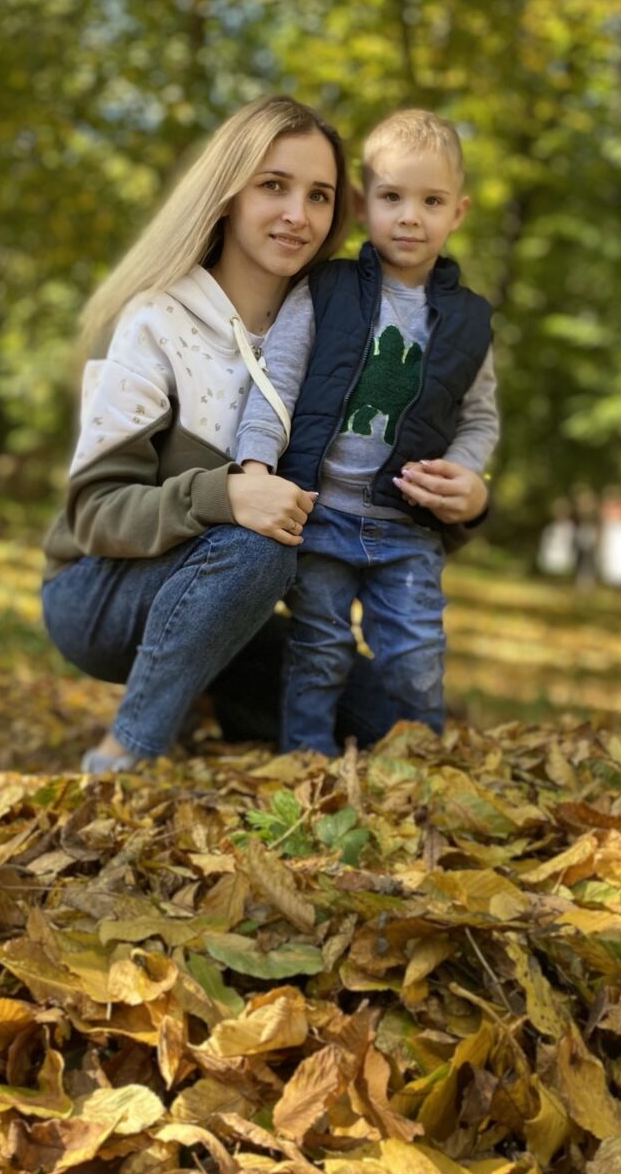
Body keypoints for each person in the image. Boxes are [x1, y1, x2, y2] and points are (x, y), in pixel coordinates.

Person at [42, 94, 383, 773]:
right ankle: (126, 749)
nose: (298, 215)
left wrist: (467, 499)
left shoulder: (331, 336)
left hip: (243, 598)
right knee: (255, 549)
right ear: (227, 194)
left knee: (389, 716)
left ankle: (207, 693)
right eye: (274, 186)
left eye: (319, 196)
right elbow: (95, 514)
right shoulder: (155, 322)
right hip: (102, 591)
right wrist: (224, 496)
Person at [231, 109, 499, 754]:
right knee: (318, 649)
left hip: (405, 528)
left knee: (416, 656)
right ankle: (308, 766)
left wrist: (466, 470)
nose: (410, 217)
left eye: (431, 201)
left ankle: (419, 770)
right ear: (361, 205)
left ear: (457, 213)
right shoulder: (326, 291)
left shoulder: (468, 321)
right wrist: (256, 467)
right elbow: (277, 382)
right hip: (318, 517)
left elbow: (480, 415)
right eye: (392, 198)